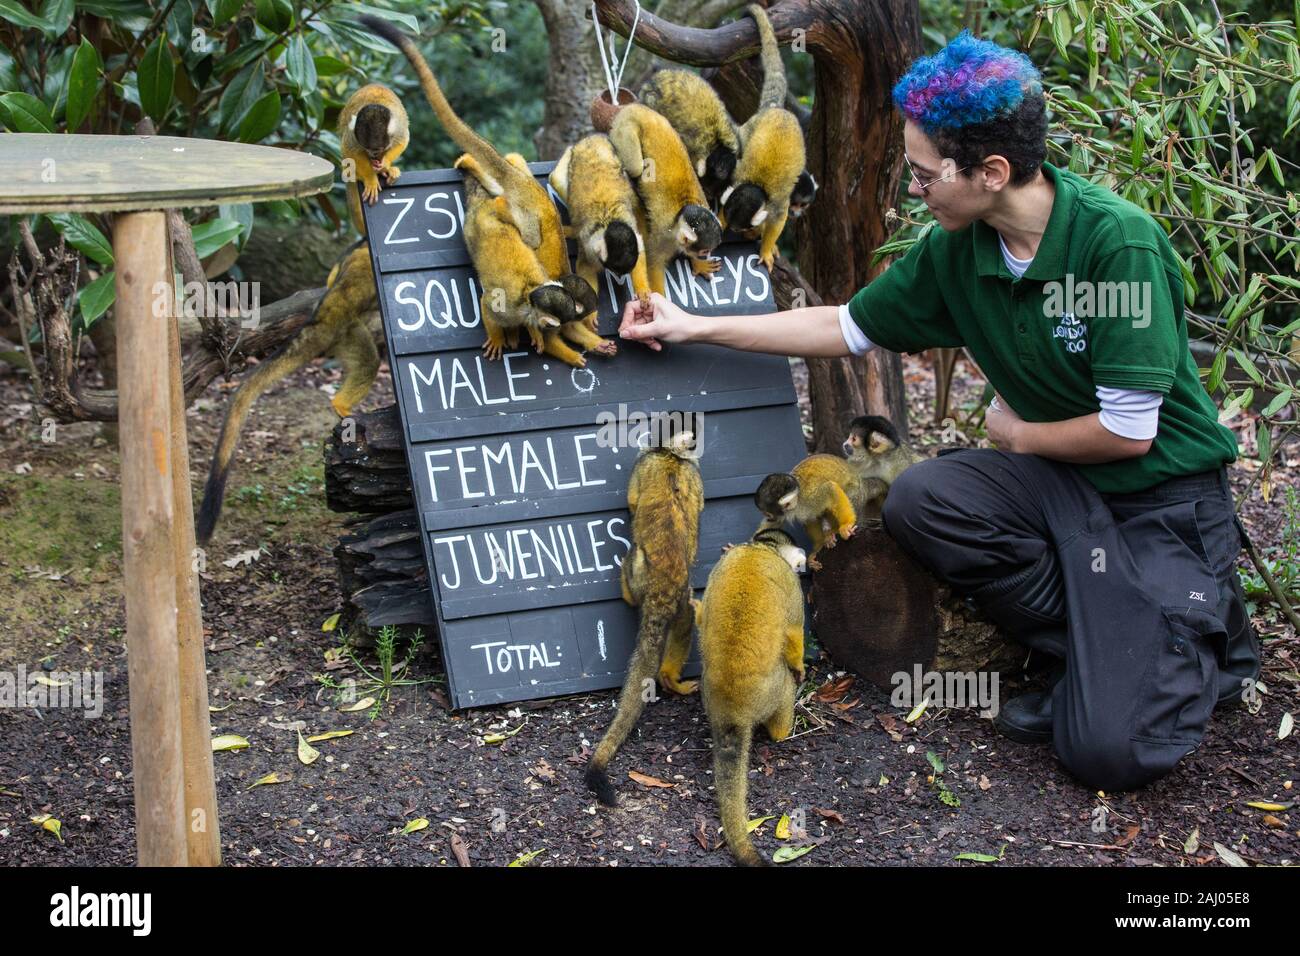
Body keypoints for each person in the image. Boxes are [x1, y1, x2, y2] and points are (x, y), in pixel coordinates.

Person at [615, 30, 1260, 792]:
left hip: (1161, 497)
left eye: (923, 177)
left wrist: (1017, 433)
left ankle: (1191, 646)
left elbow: (1128, 432)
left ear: (990, 172)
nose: (911, 191)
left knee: (1107, 755)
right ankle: (1098, 646)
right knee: (926, 500)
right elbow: (842, 326)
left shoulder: (1117, 247)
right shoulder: (961, 248)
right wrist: (690, 323)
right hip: (1064, 487)